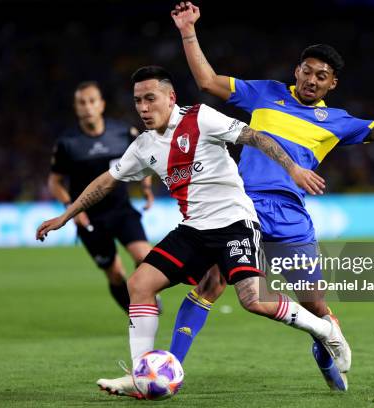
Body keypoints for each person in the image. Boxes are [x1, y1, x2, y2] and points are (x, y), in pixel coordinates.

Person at [170, 1, 374, 390]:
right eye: (307, 71)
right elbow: (207, 80)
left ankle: (324, 341)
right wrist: (188, 30)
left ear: (332, 84)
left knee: (314, 304)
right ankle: (170, 368)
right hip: (243, 208)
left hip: (291, 216)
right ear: (296, 71)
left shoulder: (338, 121)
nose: (312, 79)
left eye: (321, 76)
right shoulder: (263, 93)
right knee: (211, 281)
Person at [36, 66, 343, 399]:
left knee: (253, 300)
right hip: (194, 229)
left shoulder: (201, 118)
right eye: (138, 101)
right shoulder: (143, 146)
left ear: (171, 98)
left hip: (234, 222)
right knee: (139, 284)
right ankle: (143, 374)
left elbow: (254, 136)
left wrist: (293, 168)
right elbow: (106, 181)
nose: (142, 108)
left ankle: (324, 329)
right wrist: (66, 215)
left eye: (150, 99)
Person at [48, 81, 154, 312]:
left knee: (147, 258)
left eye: (92, 101)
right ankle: (134, 312)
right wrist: (71, 209)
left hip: (121, 210)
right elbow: (54, 182)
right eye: (81, 103)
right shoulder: (67, 143)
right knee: (115, 274)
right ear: (76, 108)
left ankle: (142, 296)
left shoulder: (123, 133)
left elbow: (146, 159)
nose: (87, 107)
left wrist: (146, 188)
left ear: (102, 105)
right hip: (90, 218)